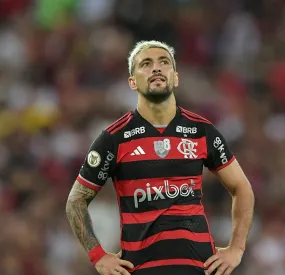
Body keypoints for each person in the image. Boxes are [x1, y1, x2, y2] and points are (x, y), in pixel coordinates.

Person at [66, 40, 255, 275]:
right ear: (132, 82)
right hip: (142, 269)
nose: (156, 68)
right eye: (146, 64)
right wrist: (98, 256)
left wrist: (236, 249)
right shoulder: (114, 139)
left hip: (199, 268)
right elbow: (76, 201)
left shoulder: (201, 131)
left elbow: (242, 188)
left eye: (164, 62)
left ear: (175, 77)